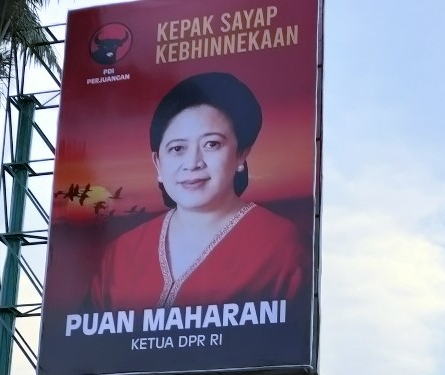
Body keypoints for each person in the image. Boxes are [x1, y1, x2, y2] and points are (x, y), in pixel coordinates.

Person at [91, 71, 309, 310]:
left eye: (211, 144)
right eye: (177, 149)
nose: (193, 163)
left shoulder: (280, 244)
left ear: (241, 154)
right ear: (158, 163)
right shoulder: (123, 253)